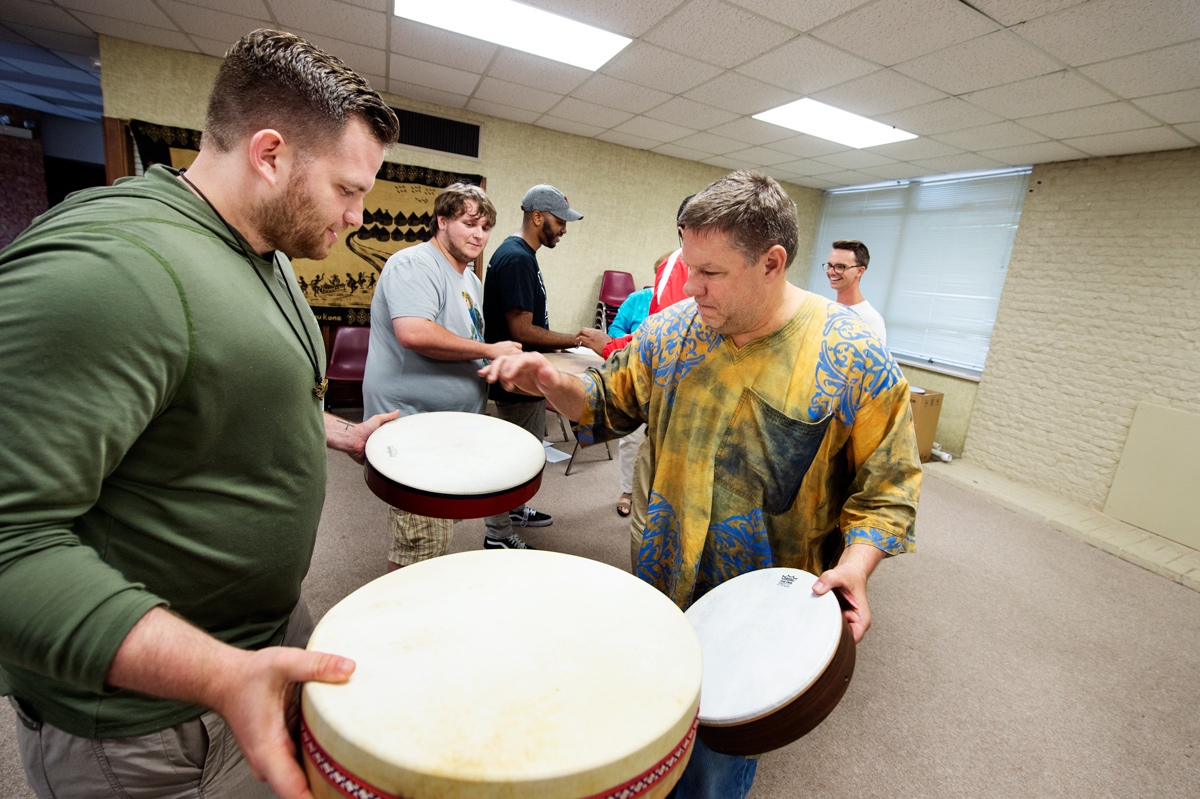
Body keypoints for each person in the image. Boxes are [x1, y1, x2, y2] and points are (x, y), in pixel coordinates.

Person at [0, 29, 402, 799]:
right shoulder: (111, 269)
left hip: (257, 645)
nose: (357, 216)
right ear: (271, 153)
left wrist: (342, 431)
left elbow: (222, 394)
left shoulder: (266, 248)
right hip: (146, 723)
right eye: (349, 190)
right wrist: (219, 672)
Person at [481, 170, 921, 799]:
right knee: (651, 735)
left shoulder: (851, 353)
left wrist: (858, 563)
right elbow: (608, 403)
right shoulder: (672, 332)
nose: (690, 286)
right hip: (660, 583)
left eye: (710, 272)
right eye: (688, 265)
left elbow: (889, 482)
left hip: (760, 610)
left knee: (715, 768)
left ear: (771, 262)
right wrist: (555, 384)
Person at [363, 183, 521, 572]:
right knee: (421, 547)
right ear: (442, 221)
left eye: (485, 228)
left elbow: (463, 341)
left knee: (435, 533)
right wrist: (489, 350)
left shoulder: (471, 279)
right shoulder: (415, 265)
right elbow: (415, 332)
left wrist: (496, 367)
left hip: (449, 429)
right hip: (413, 427)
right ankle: (399, 623)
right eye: (469, 224)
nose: (478, 235)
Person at [480, 184, 606, 549]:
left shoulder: (521, 254)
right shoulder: (516, 257)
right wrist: (576, 341)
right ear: (538, 217)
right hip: (515, 377)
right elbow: (522, 329)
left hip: (526, 374)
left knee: (531, 447)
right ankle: (497, 534)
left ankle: (515, 508)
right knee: (513, 455)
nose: (564, 228)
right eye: (560, 221)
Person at [601, 282, 654, 517]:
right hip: (634, 373)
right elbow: (615, 330)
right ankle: (628, 491)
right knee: (631, 439)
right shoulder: (638, 299)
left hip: (669, 381)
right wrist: (636, 342)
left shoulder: (686, 303)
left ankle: (655, 495)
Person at [826, 238, 886, 345]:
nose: (831, 272)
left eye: (840, 267)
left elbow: (874, 361)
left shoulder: (871, 320)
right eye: (830, 265)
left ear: (860, 271)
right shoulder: (826, 310)